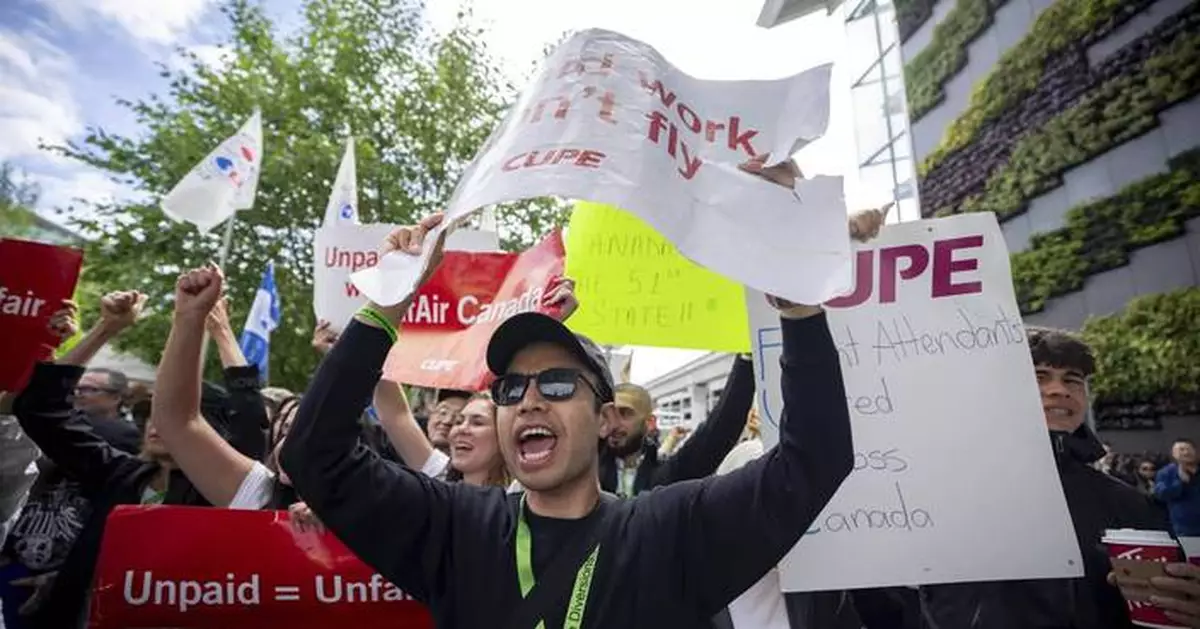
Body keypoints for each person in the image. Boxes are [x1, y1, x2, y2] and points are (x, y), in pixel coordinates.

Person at [282, 200, 855, 628]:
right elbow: (316, 454)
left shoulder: (668, 530)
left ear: (606, 420)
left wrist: (799, 303)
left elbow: (813, 461)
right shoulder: (455, 528)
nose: (528, 400)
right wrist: (386, 306)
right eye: (509, 390)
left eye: (557, 384)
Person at [919, 326, 1169, 629]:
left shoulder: (1128, 502)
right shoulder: (941, 493)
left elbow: (1159, 607)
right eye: (1039, 377)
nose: (1058, 389)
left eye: (1072, 380)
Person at [1157, 439, 1200, 535]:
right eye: (1181, 449)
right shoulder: (1166, 473)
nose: (1186, 452)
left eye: (1188, 449)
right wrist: (1180, 483)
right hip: (1184, 527)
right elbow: (1162, 495)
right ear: (1174, 454)